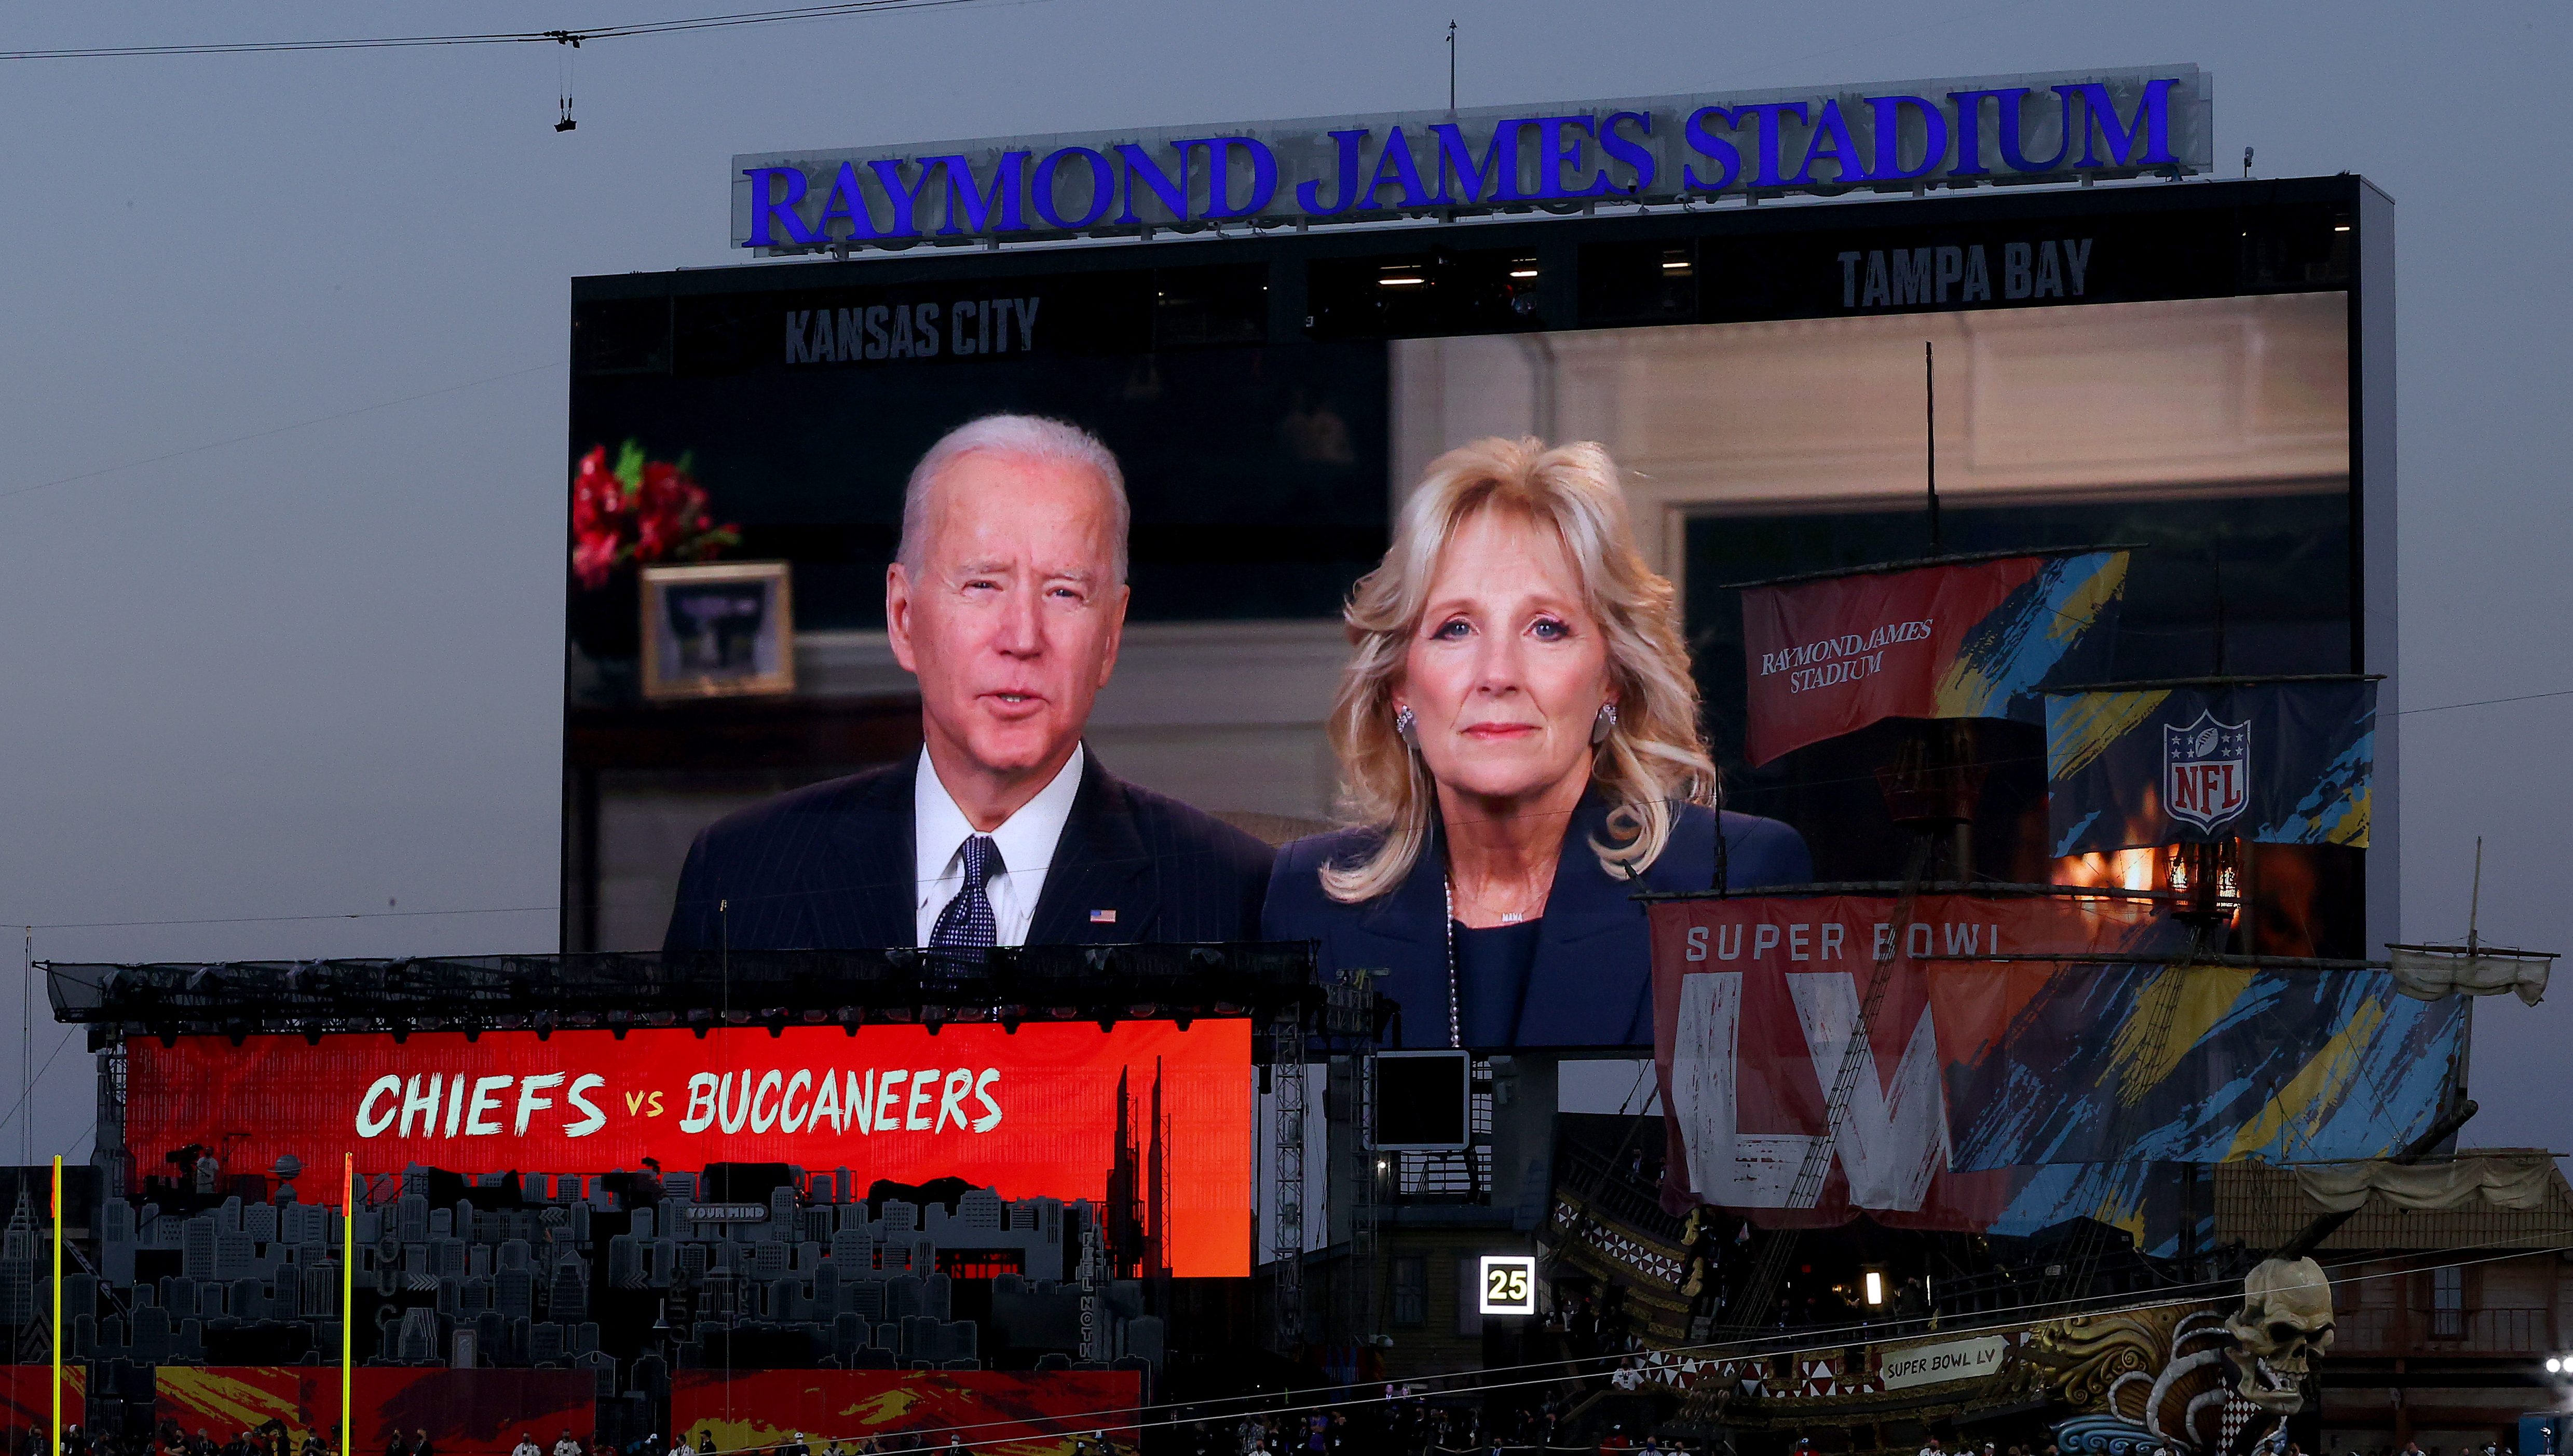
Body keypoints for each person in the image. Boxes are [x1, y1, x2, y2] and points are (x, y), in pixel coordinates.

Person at [1264, 438, 1810, 1049]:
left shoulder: (1731, 880)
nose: (1498, 674)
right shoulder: (1307, 899)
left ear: (1611, 677)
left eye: (1546, 628)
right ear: (1399, 685)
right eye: (1456, 628)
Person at [664, 413, 1273, 954]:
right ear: (903, 617)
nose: (1023, 636)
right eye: (983, 585)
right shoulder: (740, 877)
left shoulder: (1232, 895)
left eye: (1064, 592)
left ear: (1110, 637)